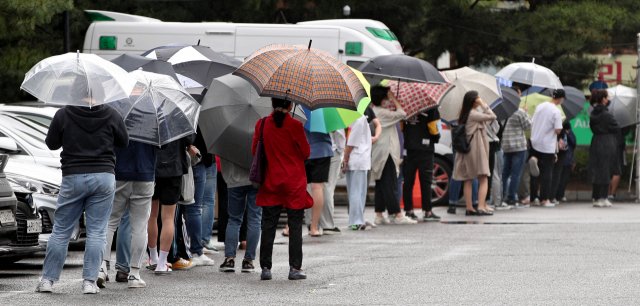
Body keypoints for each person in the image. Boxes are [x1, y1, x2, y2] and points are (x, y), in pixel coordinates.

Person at [36, 97, 129, 294]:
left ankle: (47, 280)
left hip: (73, 175)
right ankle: (89, 282)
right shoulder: (111, 113)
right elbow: (124, 141)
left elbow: (52, 144)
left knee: (61, 230)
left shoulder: (63, 114)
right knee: (97, 232)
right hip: (104, 176)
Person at [254, 98, 313, 281]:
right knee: (295, 226)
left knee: (268, 225)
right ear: (290, 105)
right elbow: (306, 153)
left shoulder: (262, 123)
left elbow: (254, 149)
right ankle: (295, 268)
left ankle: (265, 268)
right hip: (294, 182)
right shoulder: (296, 125)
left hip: (272, 180)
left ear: (272, 102)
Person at [98, 140, 158, 289]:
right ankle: (134, 274)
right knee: (139, 226)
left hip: (119, 170)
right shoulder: (154, 117)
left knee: (110, 222)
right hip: (145, 172)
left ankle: (101, 267)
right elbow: (165, 144)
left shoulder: (119, 116)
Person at [147, 136, 196, 274]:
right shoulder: (178, 116)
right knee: (168, 218)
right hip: (173, 168)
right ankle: (162, 263)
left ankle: (153, 257)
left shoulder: (148, 115)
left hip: (151, 166)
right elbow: (190, 139)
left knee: (151, 216)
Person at [370, 86, 416, 225]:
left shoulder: (374, 111)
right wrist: (394, 99)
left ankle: (379, 214)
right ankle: (397, 214)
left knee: (381, 183)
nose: (387, 101)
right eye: (386, 98)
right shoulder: (383, 113)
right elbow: (402, 113)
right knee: (390, 183)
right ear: (382, 99)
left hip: (379, 152)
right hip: (386, 153)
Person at [452, 91, 496, 216]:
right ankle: (481, 207)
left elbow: (483, 123)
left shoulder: (466, 113)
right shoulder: (473, 114)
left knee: (468, 179)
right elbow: (493, 116)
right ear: (474, 101)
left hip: (469, 150)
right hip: (476, 150)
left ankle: (470, 208)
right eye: (478, 98)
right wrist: (483, 104)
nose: (480, 99)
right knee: (483, 178)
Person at [218, 158, 262, 273]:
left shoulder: (229, 139)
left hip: (234, 179)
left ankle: (229, 259)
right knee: (255, 219)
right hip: (256, 177)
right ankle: (248, 261)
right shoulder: (258, 139)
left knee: (234, 219)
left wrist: (227, 178)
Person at [402, 108, 441, 221]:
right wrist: (436, 138)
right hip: (425, 149)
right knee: (426, 181)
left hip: (409, 147)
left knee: (408, 181)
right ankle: (427, 211)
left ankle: (409, 211)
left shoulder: (407, 107)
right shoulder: (431, 108)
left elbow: (402, 126)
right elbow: (434, 129)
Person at [529, 89, 564, 208]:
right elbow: (558, 130)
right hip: (547, 145)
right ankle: (545, 199)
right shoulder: (556, 111)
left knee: (534, 173)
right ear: (561, 99)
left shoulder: (540, 106)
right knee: (547, 172)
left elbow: (533, 122)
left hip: (535, 141)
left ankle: (533, 198)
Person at [309, 129, 346, 235]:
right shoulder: (326, 113)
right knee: (321, 188)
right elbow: (337, 132)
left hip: (304, 149)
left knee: (304, 188)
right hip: (322, 151)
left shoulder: (300, 113)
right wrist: (341, 151)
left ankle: (307, 222)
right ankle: (322, 225)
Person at [588, 89, 621, 207]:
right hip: (607, 142)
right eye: (607, 97)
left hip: (596, 141)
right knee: (607, 169)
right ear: (603, 99)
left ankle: (596, 197)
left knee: (597, 169)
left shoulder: (592, 113)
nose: (609, 99)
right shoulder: (607, 115)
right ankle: (603, 197)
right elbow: (617, 127)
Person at [301, 125, 333, 237]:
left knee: (298, 187)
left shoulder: (298, 109)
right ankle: (314, 227)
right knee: (317, 188)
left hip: (302, 150)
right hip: (322, 150)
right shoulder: (324, 109)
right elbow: (332, 128)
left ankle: (289, 227)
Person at [343, 115, 372, 230]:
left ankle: (355, 220)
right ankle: (357, 221)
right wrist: (345, 158)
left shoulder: (347, 118)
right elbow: (352, 142)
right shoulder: (360, 119)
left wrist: (345, 157)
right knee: (358, 192)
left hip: (354, 158)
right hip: (359, 158)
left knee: (353, 191)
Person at [501, 103, 532, 207]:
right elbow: (528, 126)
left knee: (505, 172)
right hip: (519, 146)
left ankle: (501, 196)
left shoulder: (503, 111)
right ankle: (512, 197)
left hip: (506, 145)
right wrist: (526, 113)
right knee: (516, 173)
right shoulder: (520, 112)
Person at [555, 121, 576, 202]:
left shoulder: (555, 131)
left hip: (557, 156)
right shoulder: (568, 132)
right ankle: (560, 195)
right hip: (567, 157)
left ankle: (554, 195)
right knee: (564, 177)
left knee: (557, 175)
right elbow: (574, 143)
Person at [609, 126, 631, 201]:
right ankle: (612, 194)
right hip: (619, 145)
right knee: (617, 170)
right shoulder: (622, 118)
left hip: (607, 143)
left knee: (608, 169)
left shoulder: (606, 116)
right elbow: (625, 132)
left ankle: (606, 194)